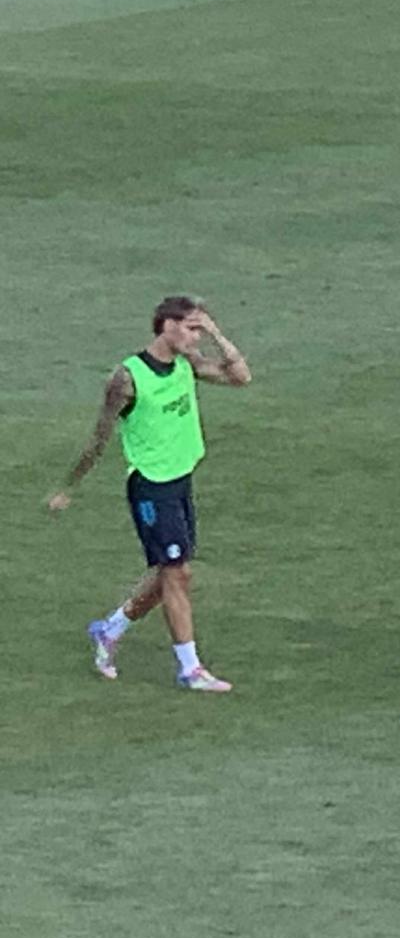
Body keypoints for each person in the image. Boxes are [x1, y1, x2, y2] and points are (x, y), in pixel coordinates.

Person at [45, 296, 250, 691]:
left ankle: (110, 629)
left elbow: (240, 377)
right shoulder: (128, 378)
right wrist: (68, 488)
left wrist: (215, 332)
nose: (196, 336)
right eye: (191, 327)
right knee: (177, 573)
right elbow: (99, 438)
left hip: (180, 480)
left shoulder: (186, 364)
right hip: (152, 488)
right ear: (167, 326)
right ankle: (190, 669)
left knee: (170, 573)